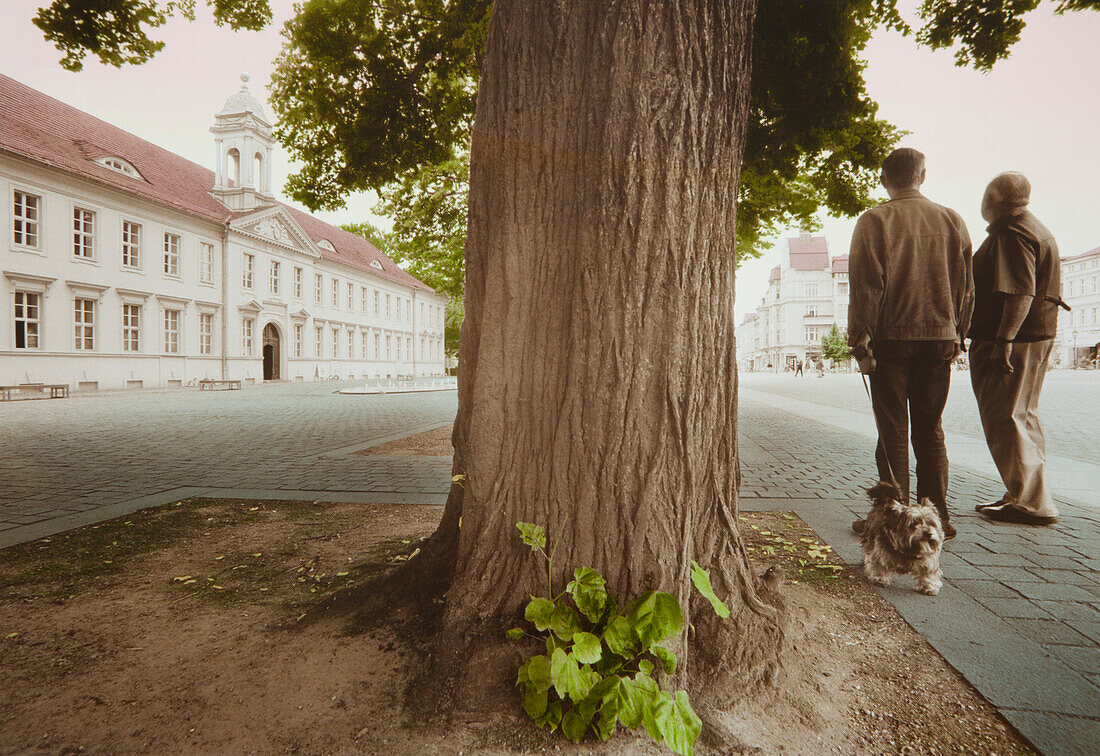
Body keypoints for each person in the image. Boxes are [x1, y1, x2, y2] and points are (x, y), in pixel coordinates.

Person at [848, 148, 974, 540]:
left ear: (884, 179)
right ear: (922, 175)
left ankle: (893, 519)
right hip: (939, 337)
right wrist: (960, 335)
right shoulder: (953, 221)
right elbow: (967, 289)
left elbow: (866, 286)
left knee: (893, 430)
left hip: (891, 339)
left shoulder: (874, 221)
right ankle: (937, 518)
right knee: (930, 429)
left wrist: (860, 341)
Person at [968, 172, 1068, 526]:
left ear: (994, 199)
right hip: (1036, 335)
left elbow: (1020, 291)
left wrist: (1003, 340)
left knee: (1006, 416)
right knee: (1023, 415)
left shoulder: (1012, 233)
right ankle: (1026, 493)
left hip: (1017, 340)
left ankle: (1030, 502)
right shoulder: (1034, 227)